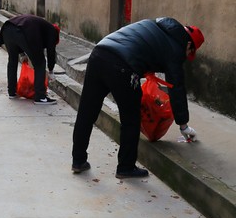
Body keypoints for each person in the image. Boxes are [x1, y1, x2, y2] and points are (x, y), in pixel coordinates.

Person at [71, 17, 204, 179]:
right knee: (131, 117)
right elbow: (177, 88)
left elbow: (142, 47)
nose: (186, 56)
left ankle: (78, 160)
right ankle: (126, 167)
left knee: (87, 110)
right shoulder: (177, 47)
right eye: (190, 52)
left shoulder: (157, 24)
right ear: (189, 44)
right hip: (122, 65)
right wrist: (184, 126)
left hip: (99, 53)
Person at [0, 14, 60, 105]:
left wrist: (23, 53)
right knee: (40, 63)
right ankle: (40, 97)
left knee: (12, 60)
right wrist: (51, 70)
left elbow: (25, 38)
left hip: (7, 29)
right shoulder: (52, 32)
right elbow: (51, 52)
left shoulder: (41, 26)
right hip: (22, 31)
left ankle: (12, 92)